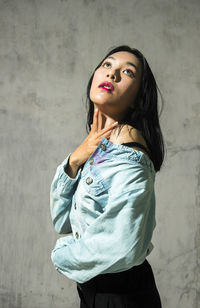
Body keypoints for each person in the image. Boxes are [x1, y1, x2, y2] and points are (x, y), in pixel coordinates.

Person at [50, 45, 165, 308]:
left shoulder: (130, 159)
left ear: (138, 98)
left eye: (127, 72)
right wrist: (76, 158)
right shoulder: (100, 148)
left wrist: (61, 256)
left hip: (122, 297)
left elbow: (123, 246)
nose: (112, 74)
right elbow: (62, 220)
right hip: (95, 292)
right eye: (107, 65)